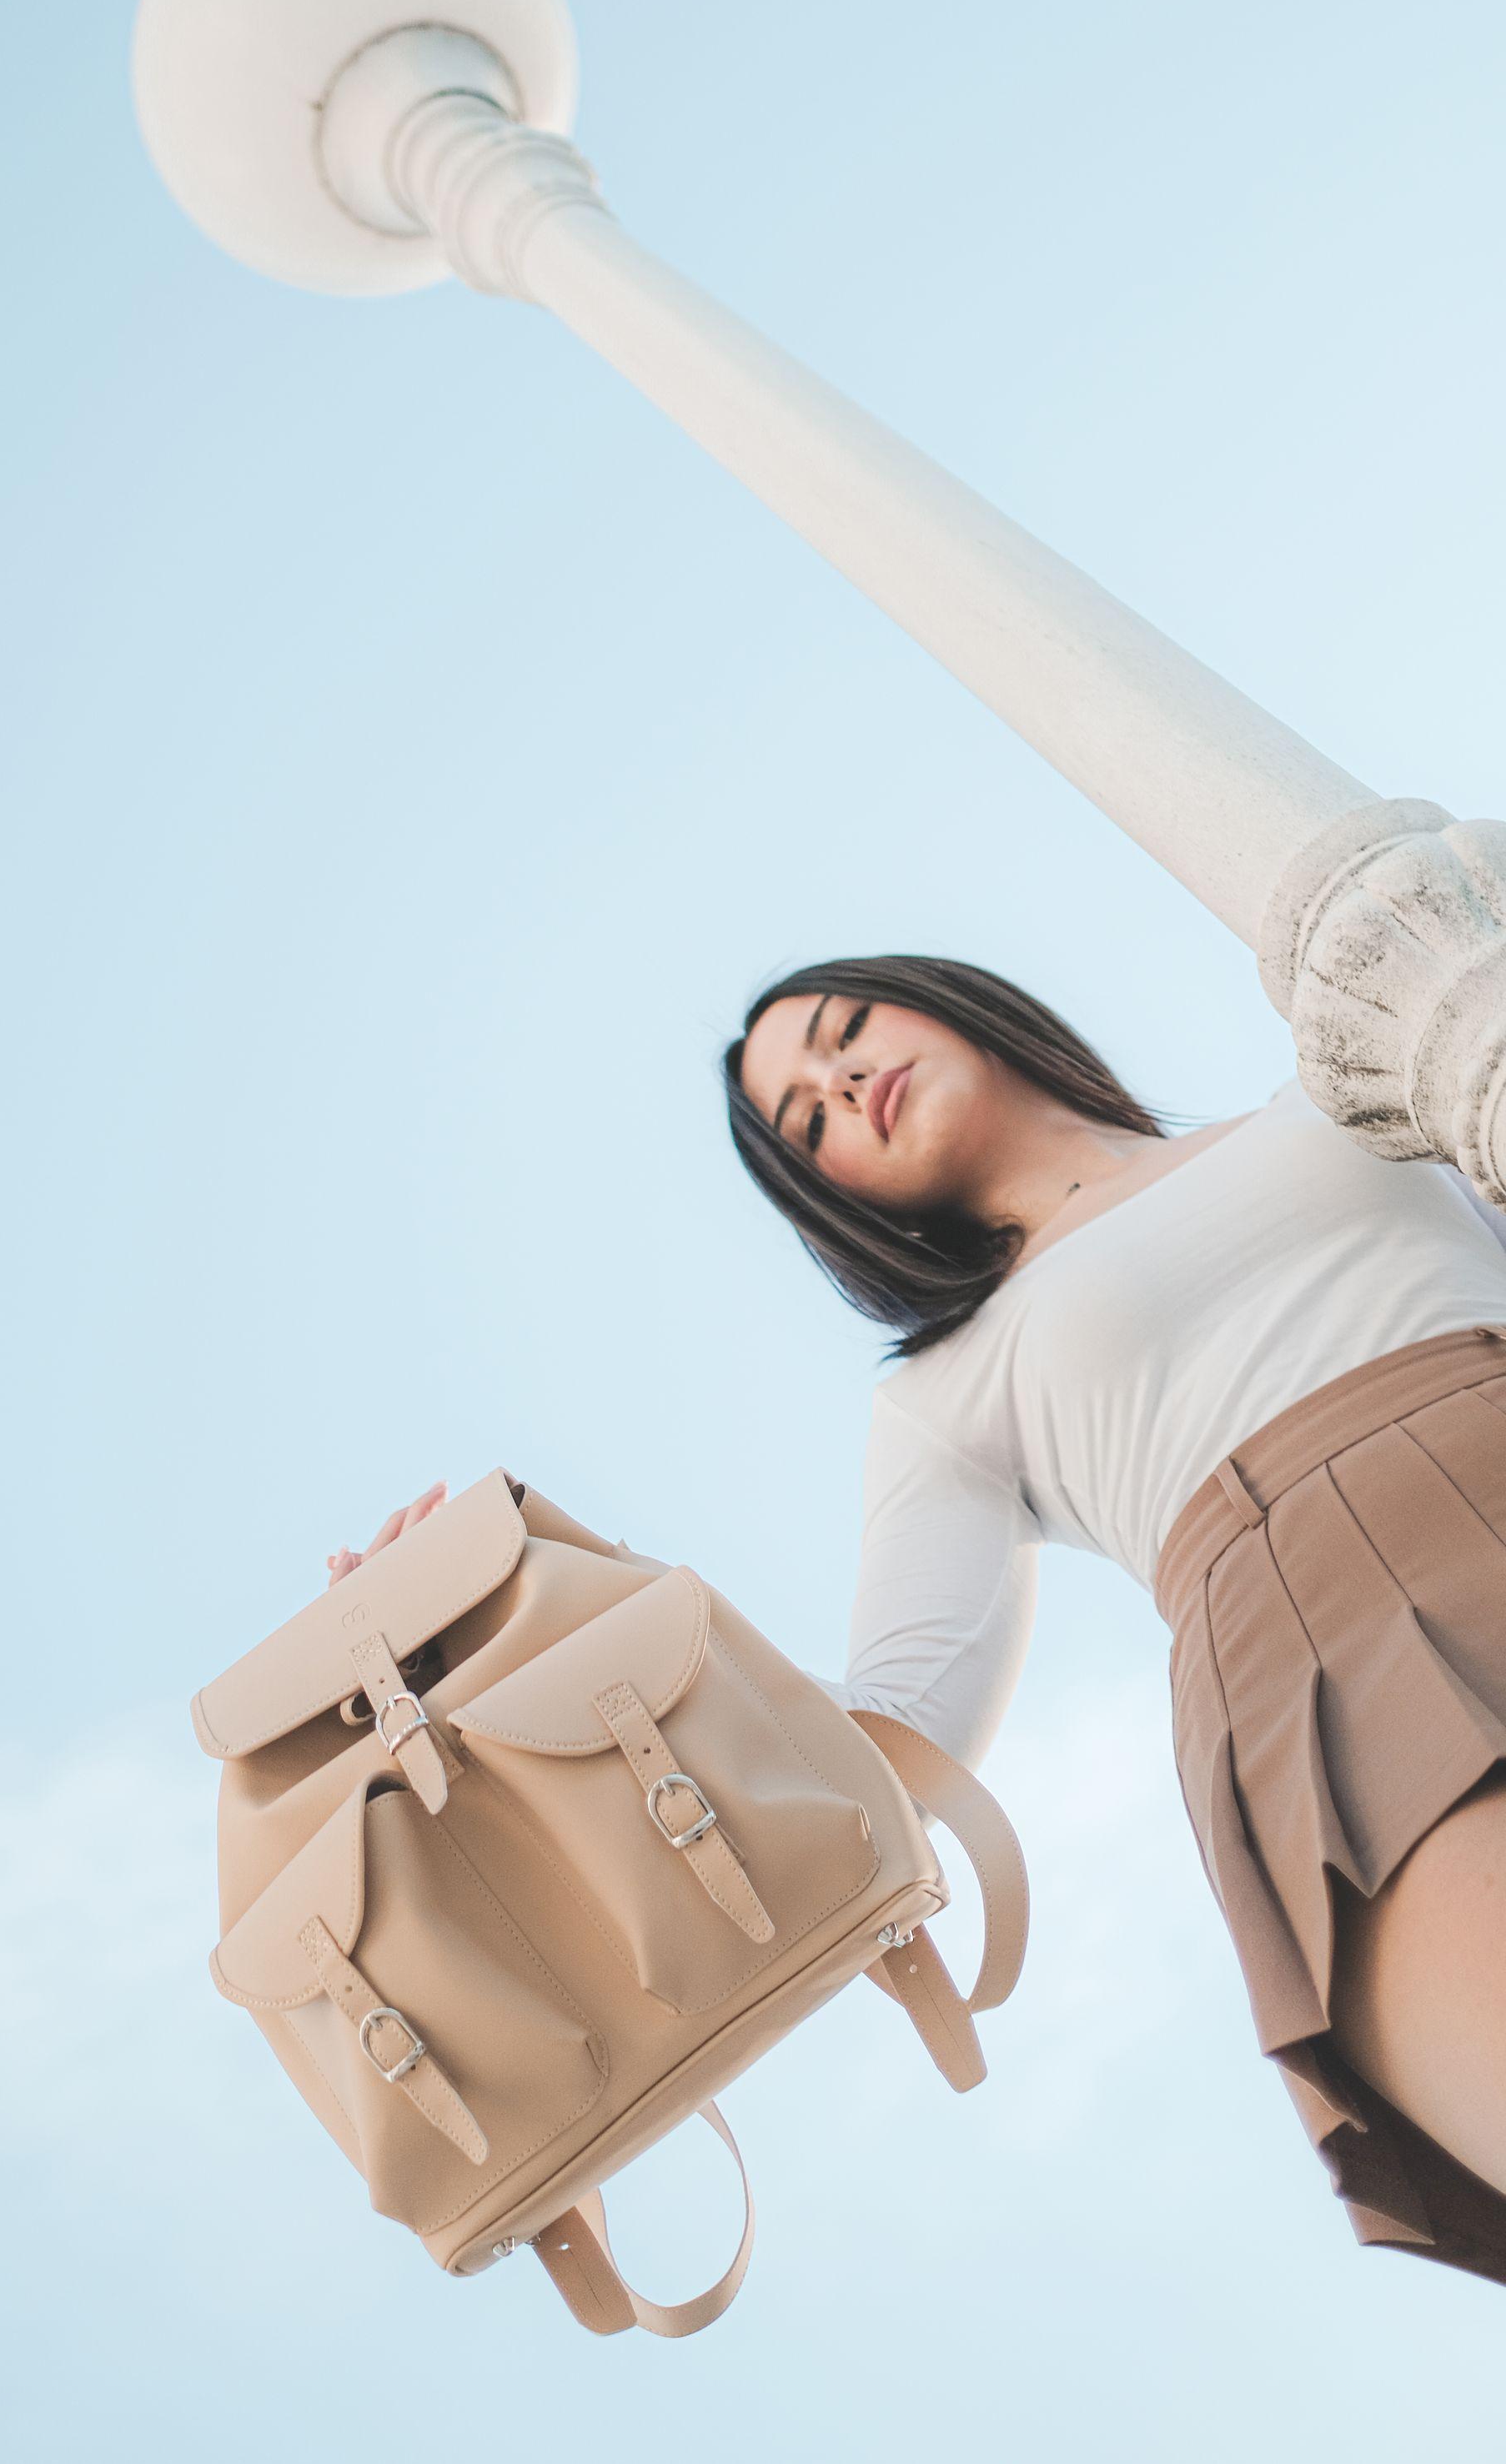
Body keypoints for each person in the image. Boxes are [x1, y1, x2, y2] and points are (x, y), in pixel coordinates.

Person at [329, 950, 1506, 2282]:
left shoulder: (1334, 1090)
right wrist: (477, 1658)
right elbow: (862, 1757)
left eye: (841, 1034)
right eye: (808, 1123)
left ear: (946, 999)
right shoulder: (946, 1393)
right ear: (832, 1198)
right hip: (1322, 1673)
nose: (837, 1081)